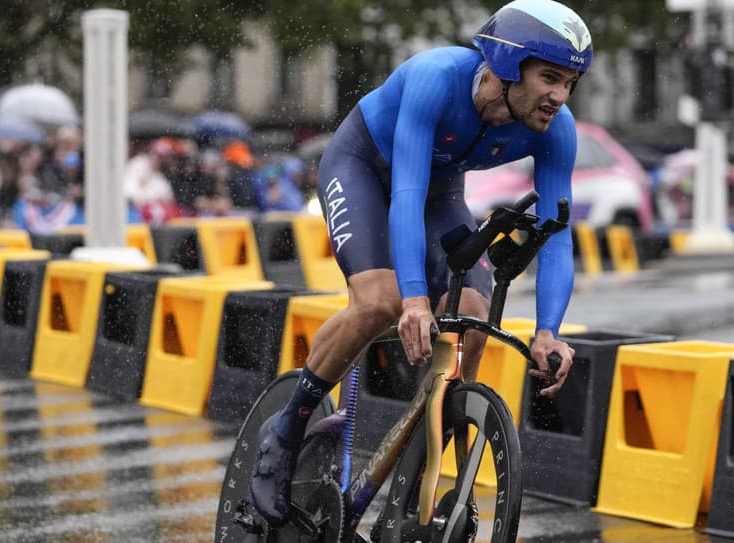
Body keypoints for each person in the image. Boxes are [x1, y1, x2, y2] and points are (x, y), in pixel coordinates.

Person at [249, 0, 592, 526]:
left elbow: (557, 237)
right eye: (549, 77)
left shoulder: (555, 128)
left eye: (569, 82)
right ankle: (287, 430)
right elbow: (404, 195)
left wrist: (549, 331)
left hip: (437, 190)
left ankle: (419, 480)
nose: (558, 96)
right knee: (381, 303)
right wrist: (412, 300)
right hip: (367, 167)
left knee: (474, 317)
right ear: (505, 64)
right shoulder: (436, 77)